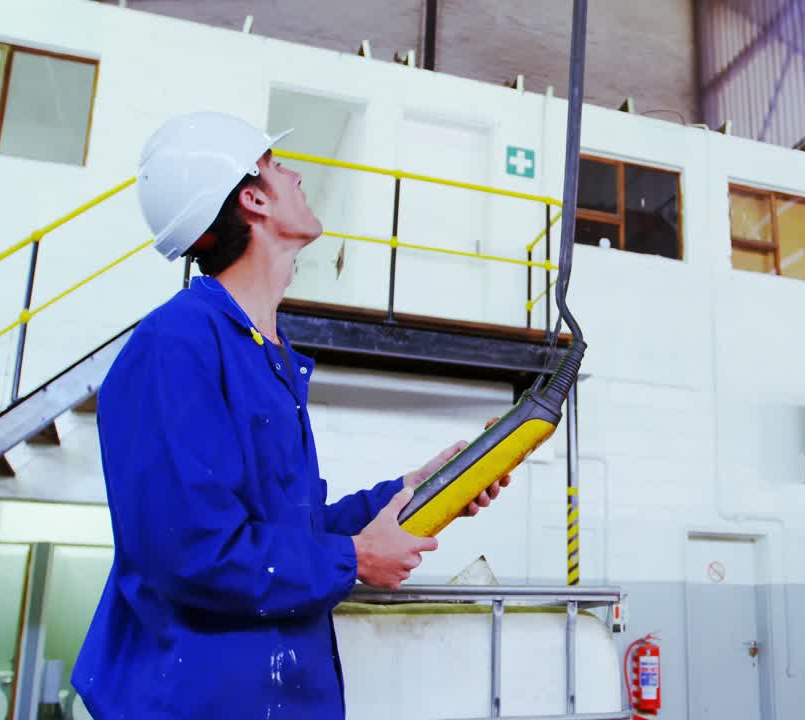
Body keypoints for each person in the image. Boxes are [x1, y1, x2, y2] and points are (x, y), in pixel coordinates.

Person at [71, 111, 509, 719]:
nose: (296, 174)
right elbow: (193, 553)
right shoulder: (176, 344)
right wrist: (356, 559)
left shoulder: (266, 355)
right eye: (278, 167)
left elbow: (284, 538)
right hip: (199, 703)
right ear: (252, 198)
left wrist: (418, 492)